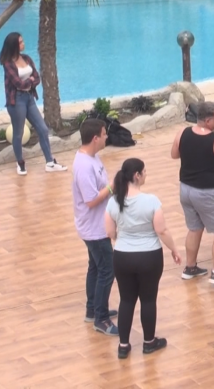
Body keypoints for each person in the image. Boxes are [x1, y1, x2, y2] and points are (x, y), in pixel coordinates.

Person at [105, 158, 180, 359]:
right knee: (148, 299)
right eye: (144, 171)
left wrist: (124, 240)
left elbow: (110, 232)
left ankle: (123, 345)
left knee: (126, 300)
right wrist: (174, 249)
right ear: (137, 175)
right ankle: (148, 342)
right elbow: (161, 230)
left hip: (122, 256)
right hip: (149, 257)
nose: (146, 174)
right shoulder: (151, 201)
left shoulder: (113, 202)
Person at [171, 101, 214, 285]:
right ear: (208, 120)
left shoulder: (182, 133)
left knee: (194, 228)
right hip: (206, 192)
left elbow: (174, 154)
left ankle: (190, 268)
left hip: (185, 189)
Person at [72, 118, 118, 336]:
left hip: (98, 225)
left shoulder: (93, 157)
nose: (107, 137)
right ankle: (101, 318)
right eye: (104, 133)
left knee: (96, 267)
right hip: (94, 228)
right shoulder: (83, 166)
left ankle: (93, 309)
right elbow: (90, 200)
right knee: (108, 270)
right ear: (95, 138)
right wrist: (112, 187)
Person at [0, 32, 67, 176]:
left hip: (29, 98)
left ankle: (50, 162)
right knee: (18, 133)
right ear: (14, 46)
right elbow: (18, 83)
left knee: (43, 129)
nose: (23, 43)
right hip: (16, 101)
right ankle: (20, 163)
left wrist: (29, 81)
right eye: (20, 42)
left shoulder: (26, 58)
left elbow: (37, 77)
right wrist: (29, 81)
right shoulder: (8, 64)